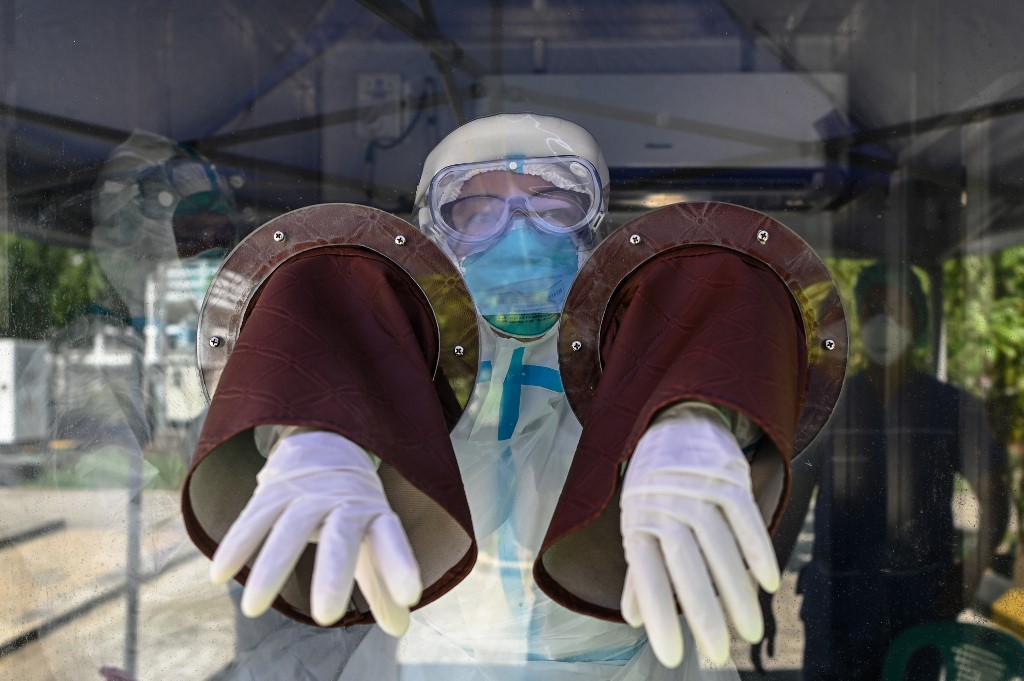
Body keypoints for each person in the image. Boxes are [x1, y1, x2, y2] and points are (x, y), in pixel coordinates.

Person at [182, 113, 842, 679]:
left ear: (596, 228)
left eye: (554, 206)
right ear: (430, 233)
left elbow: (718, 326)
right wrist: (309, 428)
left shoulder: (626, 354)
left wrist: (701, 412)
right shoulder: (412, 361)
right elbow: (325, 337)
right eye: (476, 210)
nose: (518, 234)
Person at [753, 261, 1010, 680]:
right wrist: (763, 589)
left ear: (918, 320)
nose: (883, 322)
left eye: (895, 310)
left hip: (920, 608)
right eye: (872, 309)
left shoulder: (952, 409)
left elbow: (995, 499)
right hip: (837, 609)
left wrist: (967, 576)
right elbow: (790, 503)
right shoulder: (828, 404)